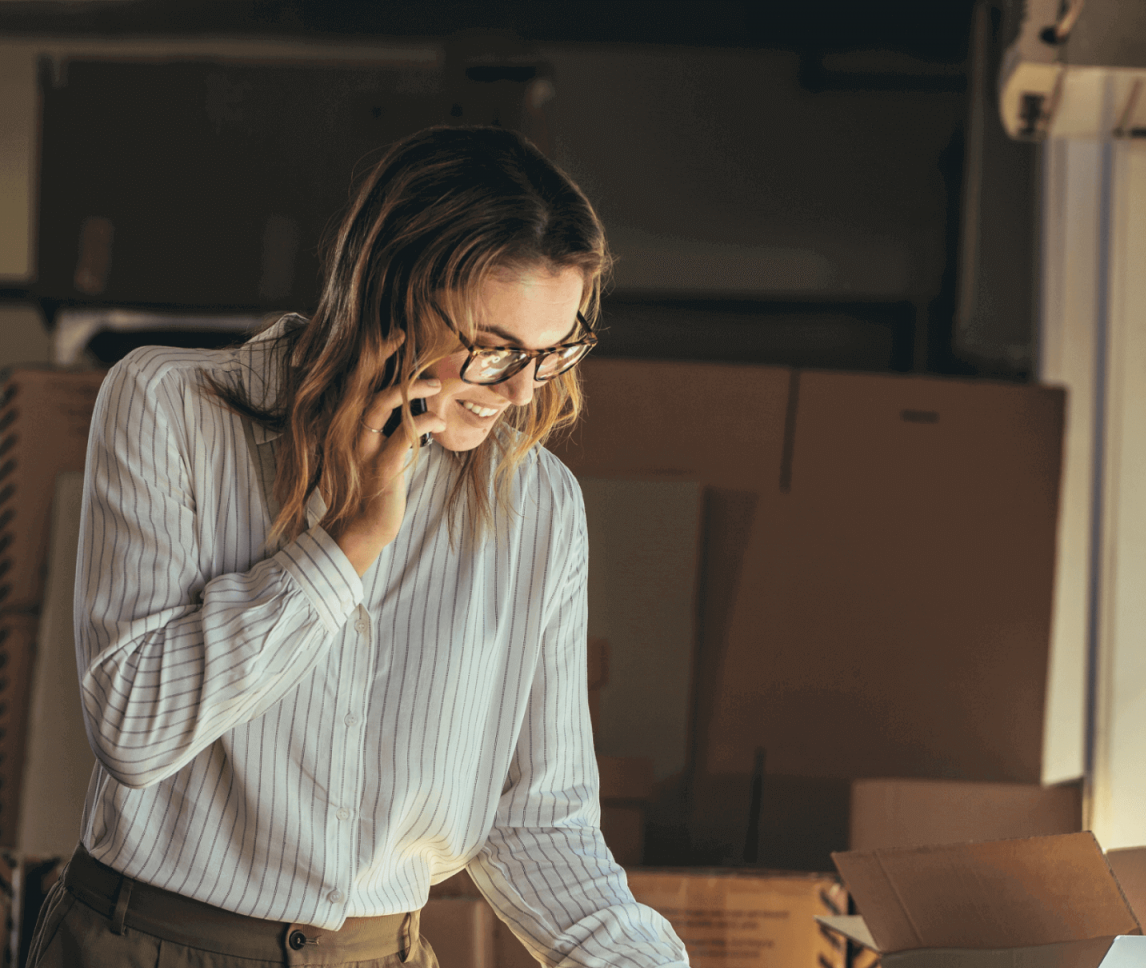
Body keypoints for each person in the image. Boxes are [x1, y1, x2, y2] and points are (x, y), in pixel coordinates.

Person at [31, 126, 691, 968]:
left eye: (555, 349)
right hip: (147, 946)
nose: (527, 391)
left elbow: (538, 824)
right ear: (389, 293)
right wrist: (345, 547)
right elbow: (133, 729)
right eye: (495, 352)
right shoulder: (169, 407)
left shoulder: (542, 509)